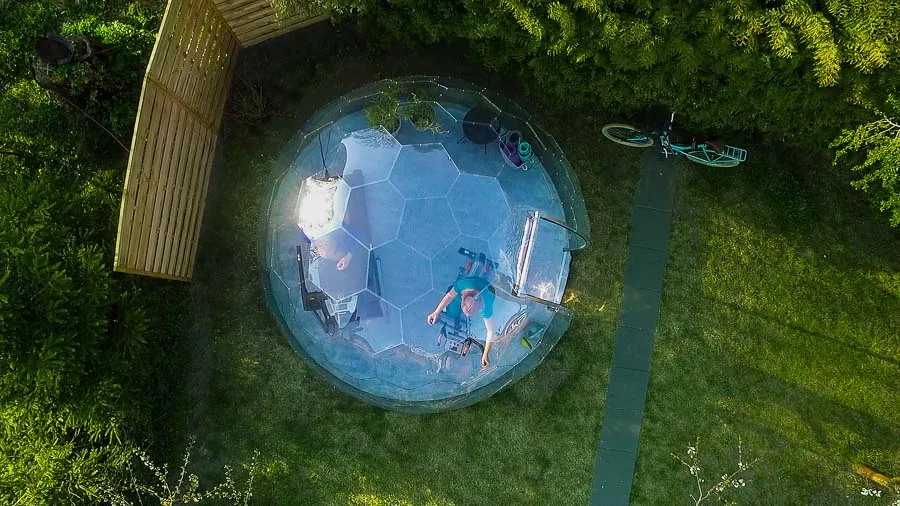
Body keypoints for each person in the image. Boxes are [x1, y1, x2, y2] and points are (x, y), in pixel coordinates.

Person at [426, 276, 497, 367]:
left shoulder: (486, 305)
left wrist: (485, 354)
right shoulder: (462, 285)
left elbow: (490, 331)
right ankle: (455, 310)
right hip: (470, 286)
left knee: (453, 313)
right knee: (452, 313)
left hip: (486, 287)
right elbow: (449, 296)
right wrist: (436, 312)